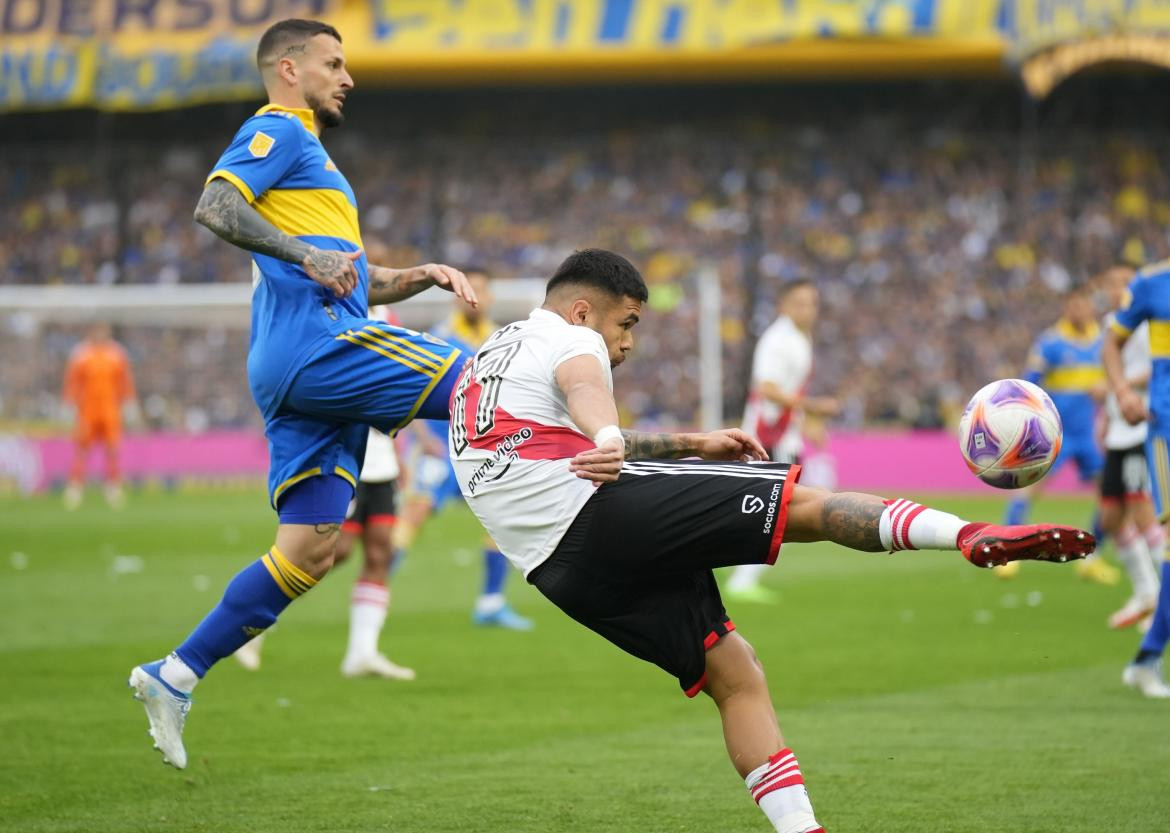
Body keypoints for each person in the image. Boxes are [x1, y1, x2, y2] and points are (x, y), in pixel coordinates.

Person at [449, 248, 1094, 832]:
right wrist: (611, 434)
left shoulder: (488, 360)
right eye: (628, 325)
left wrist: (686, 443)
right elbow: (588, 396)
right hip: (598, 511)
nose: (628, 344)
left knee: (735, 674)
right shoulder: (572, 339)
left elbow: (566, 440)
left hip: (559, 569)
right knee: (804, 506)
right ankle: (969, 534)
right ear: (584, 309)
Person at [129, 18, 477, 769]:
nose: (347, 76)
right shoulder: (278, 130)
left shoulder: (313, 163)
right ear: (289, 69)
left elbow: (349, 275)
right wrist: (304, 253)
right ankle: (607, 476)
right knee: (482, 381)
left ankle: (173, 674)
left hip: (302, 360)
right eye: (333, 63)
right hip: (317, 349)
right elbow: (215, 206)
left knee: (312, 550)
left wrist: (414, 275)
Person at [395, 267, 533, 630]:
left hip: (484, 451)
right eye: (467, 290)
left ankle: (490, 602)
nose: (473, 296)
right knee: (416, 513)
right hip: (439, 447)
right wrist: (422, 437)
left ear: (490, 297)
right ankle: (377, 586)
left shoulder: (502, 339)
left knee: (503, 520)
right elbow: (411, 389)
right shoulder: (437, 337)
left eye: (482, 290)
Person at [726, 279, 839, 604]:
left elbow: (786, 394)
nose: (808, 310)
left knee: (772, 509)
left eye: (813, 303)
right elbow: (768, 389)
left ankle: (734, 569)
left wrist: (806, 422)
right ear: (784, 306)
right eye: (801, 303)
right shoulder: (778, 340)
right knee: (780, 510)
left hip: (780, 435)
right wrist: (813, 408)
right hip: (767, 438)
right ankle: (742, 580)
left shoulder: (799, 338)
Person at [997, 284, 1115, 582]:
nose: (1079, 310)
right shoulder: (1050, 342)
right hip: (1055, 434)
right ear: (1066, 306)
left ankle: (1092, 557)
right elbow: (1029, 385)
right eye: (1073, 304)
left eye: (1084, 304)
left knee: (1110, 494)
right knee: (1031, 487)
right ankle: (1005, 551)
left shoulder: (1102, 341)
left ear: (1091, 306)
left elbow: (1112, 380)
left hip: (1087, 434)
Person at [1104, 258, 1170, 698]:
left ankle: (1146, 657)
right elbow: (1111, 342)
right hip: (1167, 431)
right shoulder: (1151, 282)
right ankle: (1147, 660)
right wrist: (1124, 391)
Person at [1097, 266, 1163, 630]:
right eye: (1112, 283)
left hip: (1141, 428)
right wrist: (1106, 414)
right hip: (1118, 431)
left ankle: (1161, 599)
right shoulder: (1113, 324)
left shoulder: (1147, 320)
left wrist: (1122, 387)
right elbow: (1112, 372)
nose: (1117, 289)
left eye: (1124, 282)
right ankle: (1146, 592)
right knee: (1110, 519)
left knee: (1142, 511)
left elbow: (1159, 367)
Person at [62, 323, 136, 510]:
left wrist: (129, 402)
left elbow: (124, 381)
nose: (101, 334)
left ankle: (113, 487)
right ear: (91, 331)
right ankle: (75, 487)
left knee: (112, 449)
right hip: (87, 410)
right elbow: (73, 381)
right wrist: (69, 403)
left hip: (110, 409)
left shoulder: (117, 353)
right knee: (83, 449)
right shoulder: (81, 353)